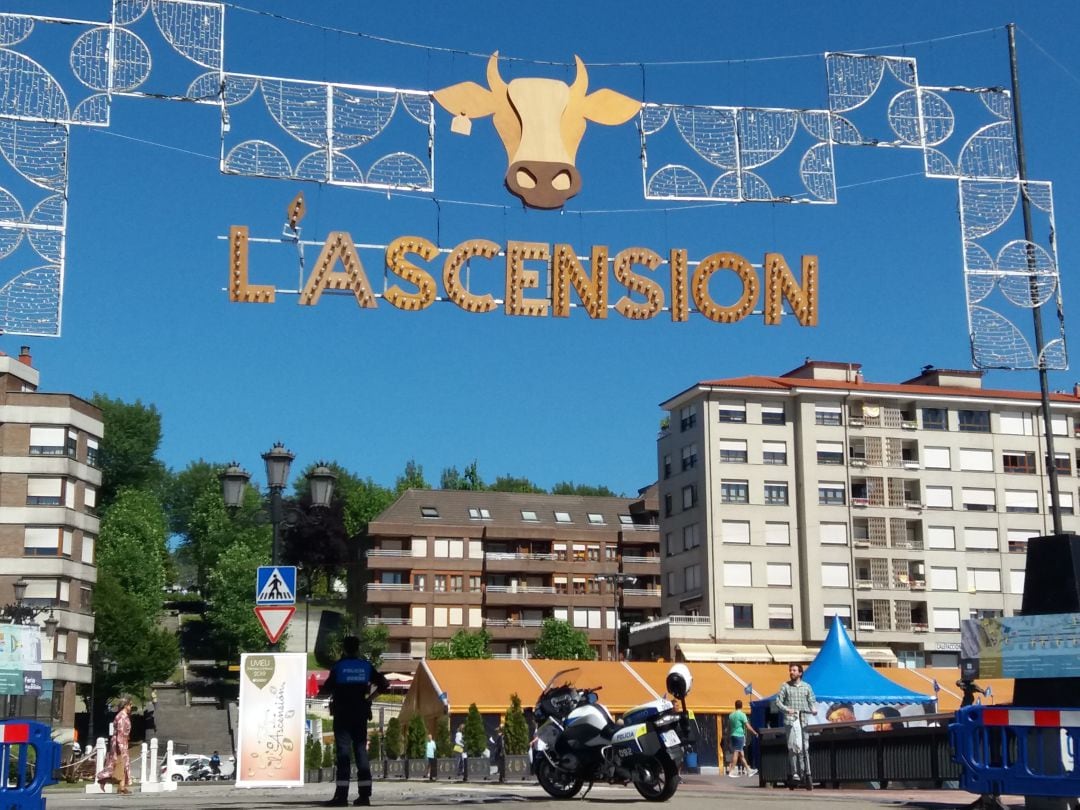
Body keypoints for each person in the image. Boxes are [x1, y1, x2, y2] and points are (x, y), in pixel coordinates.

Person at [318, 636, 389, 807]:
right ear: (357, 649)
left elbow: (324, 691)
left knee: (343, 754)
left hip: (342, 714)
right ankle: (364, 796)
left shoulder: (338, 667)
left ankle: (341, 797)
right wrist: (369, 699)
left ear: (344, 649)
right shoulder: (366, 666)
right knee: (360, 752)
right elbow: (384, 684)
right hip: (360, 713)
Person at [775, 664, 816, 790]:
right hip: (791, 721)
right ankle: (794, 773)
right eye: (790, 670)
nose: (791, 672)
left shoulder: (807, 687)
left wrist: (813, 708)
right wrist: (787, 709)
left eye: (794, 670)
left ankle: (806, 773)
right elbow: (778, 701)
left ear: (800, 673)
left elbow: (812, 700)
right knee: (793, 747)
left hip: (803, 721)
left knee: (805, 747)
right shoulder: (785, 686)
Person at [97, 697, 133, 794]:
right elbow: (120, 731)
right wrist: (120, 745)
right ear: (125, 705)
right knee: (117, 763)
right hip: (119, 742)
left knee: (123, 764)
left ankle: (121, 786)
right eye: (130, 704)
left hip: (123, 742)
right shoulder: (121, 716)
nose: (131, 706)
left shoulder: (125, 715)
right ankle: (104, 779)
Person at [725, 699, 758, 777]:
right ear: (741, 706)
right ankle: (732, 771)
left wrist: (727, 736)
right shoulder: (742, 715)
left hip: (733, 735)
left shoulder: (731, 715)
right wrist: (754, 732)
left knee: (741, 754)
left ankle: (748, 770)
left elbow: (728, 727)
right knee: (736, 753)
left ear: (735, 706)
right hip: (739, 735)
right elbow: (747, 725)